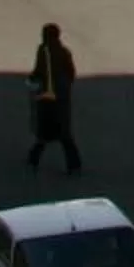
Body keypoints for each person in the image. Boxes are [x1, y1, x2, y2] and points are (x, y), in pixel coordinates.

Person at [27, 22, 81, 175]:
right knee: (63, 133)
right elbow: (71, 73)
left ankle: (33, 160)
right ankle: (74, 165)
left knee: (44, 132)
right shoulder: (64, 52)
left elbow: (38, 70)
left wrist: (32, 80)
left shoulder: (43, 51)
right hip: (61, 98)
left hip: (47, 97)